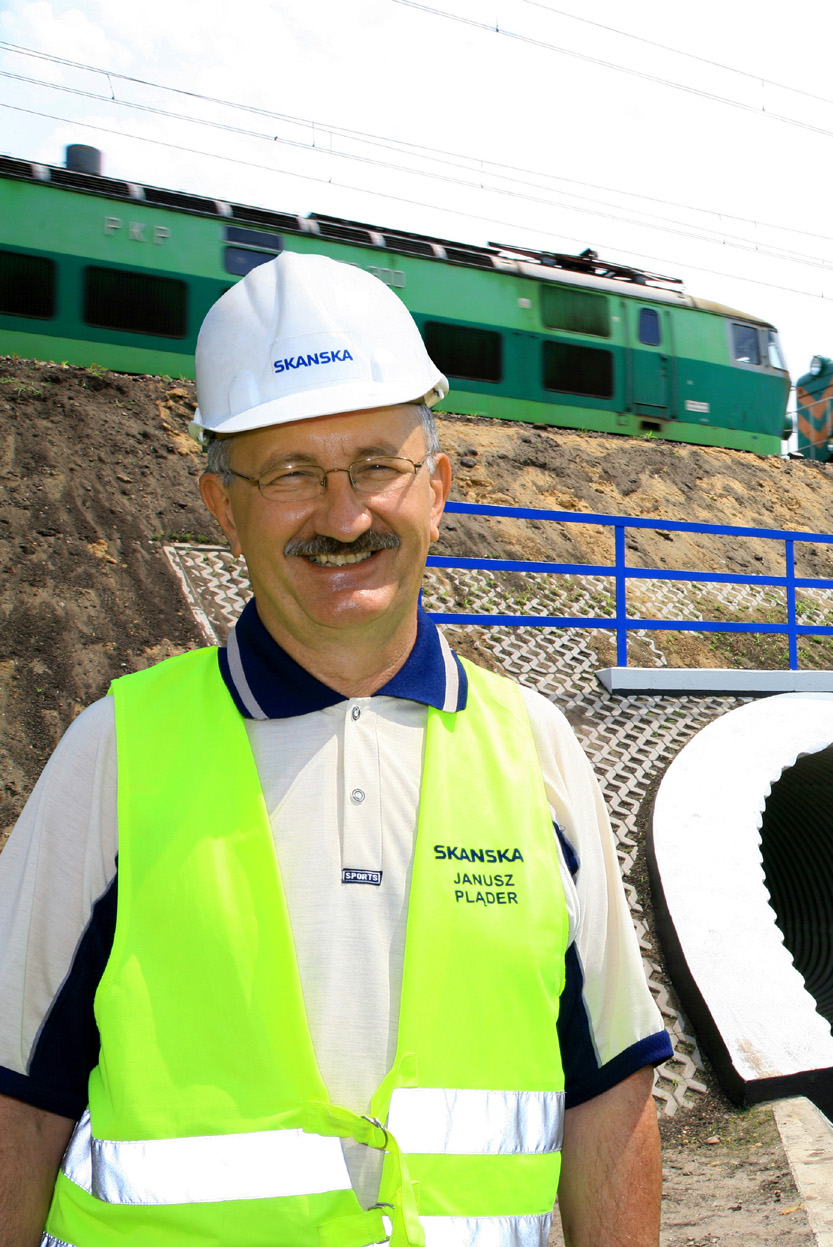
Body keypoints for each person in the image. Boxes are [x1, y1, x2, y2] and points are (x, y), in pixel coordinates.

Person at [0, 252, 669, 1247]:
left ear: (436, 486)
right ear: (223, 506)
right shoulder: (114, 755)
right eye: (291, 474)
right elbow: (18, 1100)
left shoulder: (534, 749)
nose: (344, 514)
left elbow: (609, 1093)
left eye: (375, 466)